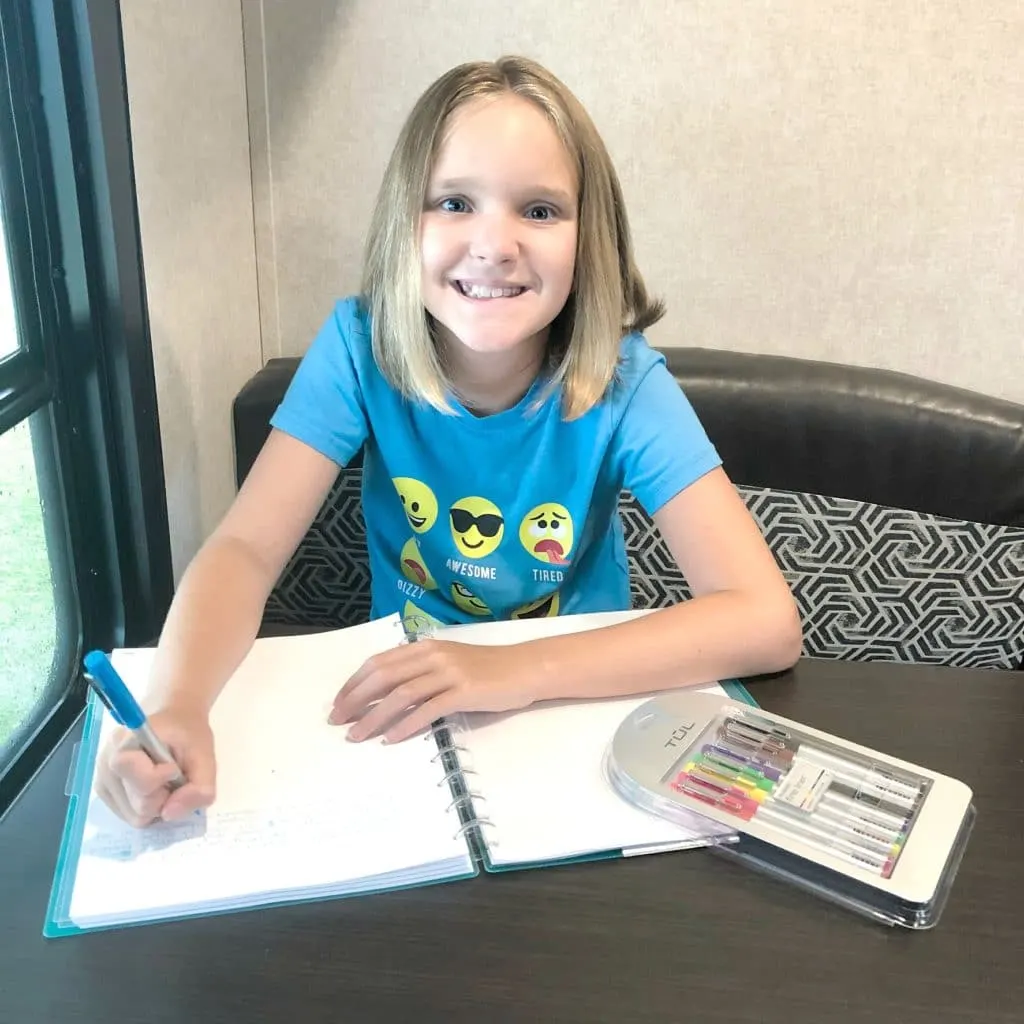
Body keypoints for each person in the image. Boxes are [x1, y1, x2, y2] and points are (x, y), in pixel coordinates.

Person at [96, 56, 802, 827]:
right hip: (405, 714)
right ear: (406, 222)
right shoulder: (358, 348)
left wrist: (514, 669)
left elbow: (765, 622)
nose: (494, 244)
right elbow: (244, 550)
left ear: (589, 238)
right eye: (455, 202)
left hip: (576, 706)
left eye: (539, 210)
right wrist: (176, 704)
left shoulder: (623, 378)